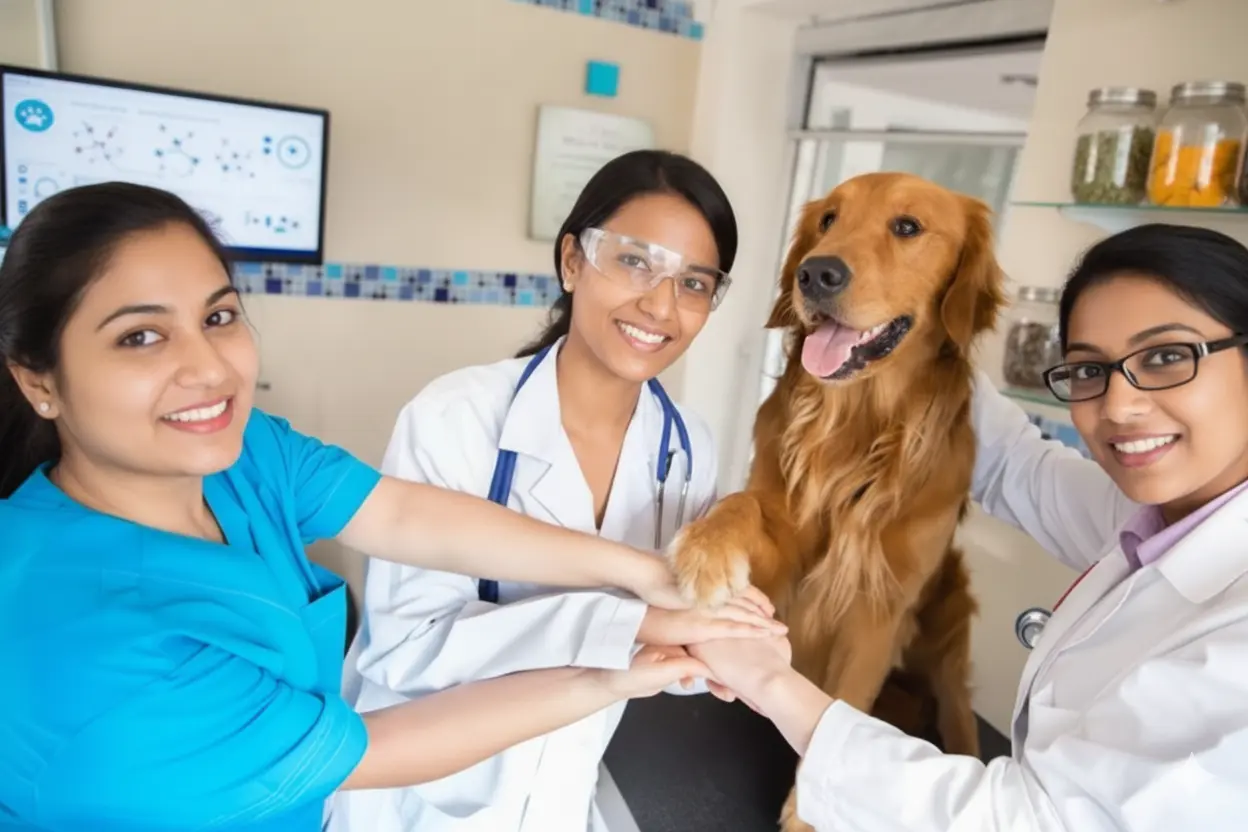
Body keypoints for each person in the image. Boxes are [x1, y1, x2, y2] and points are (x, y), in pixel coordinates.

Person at [0, 182, 779, 832]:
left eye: (218, 316)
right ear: (38, 380)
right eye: (140, 338)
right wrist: (625, 632)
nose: (207, 368)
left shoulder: (242, 458)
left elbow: (402, 517)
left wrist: (640, 589)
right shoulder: (86, 644)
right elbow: (380, 739)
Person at [689, 223, 1248, 830]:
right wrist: (894, 331)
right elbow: (1017, 467)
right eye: (1089, 369)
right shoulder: (1157, 515)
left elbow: (1029, 820)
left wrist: (768, 679)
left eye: (1168, 357)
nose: (1118, 406)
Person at [329, 149, 758, 832]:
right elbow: (405, 647)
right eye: (634, 261)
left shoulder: (686, 450)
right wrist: (635, 623)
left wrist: (725, 636)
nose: (661, 304)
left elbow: (682, 616)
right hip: (422, 802)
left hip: (564, 788)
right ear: (571, 261)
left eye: (695, 283)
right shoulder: (457, 417)